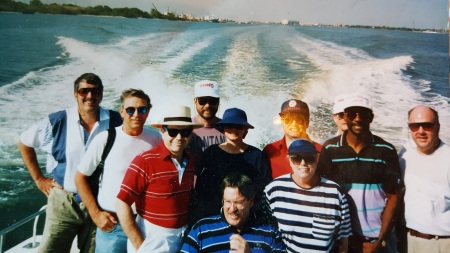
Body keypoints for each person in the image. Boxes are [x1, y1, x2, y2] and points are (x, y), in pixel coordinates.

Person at [18, 73, 122, 253]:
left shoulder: (115, 121)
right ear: (76, 94)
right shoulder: (58, 121)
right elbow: (25, 142)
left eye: (95, 91)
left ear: (102, 94)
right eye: (84, 91)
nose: (90, 96)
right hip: (64, 202)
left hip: (100, 202)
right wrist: (39, 179)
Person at [74, 89, 162, 253]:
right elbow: (80, 177)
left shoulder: (156, 139)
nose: (136, 114)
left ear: (148, 111)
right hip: (114, 227)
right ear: (122, 112)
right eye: (130, 110)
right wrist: (96, 215)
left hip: (146, 224)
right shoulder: (106, 139)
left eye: (142, 109)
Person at [317, 92, 404, 253]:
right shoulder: (330, 149)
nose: (357, 118)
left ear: (370, 117)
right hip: (341, 241)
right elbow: (323, 193)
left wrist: (380, 241)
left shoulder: (386, 150)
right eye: (352, 113)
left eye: (363, 113)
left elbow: (394, 196)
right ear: (344, 117)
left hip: (376, 241)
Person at [115, 105, 202, 253]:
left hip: (182, 237)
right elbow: (122, 203)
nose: (179, 138)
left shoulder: (192, 161)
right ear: (163, 130)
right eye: (173, 131)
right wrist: (140, 245)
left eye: (185, 132)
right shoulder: (145, 161)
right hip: (152, 238)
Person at [264, 139, 352, 253]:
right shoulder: (273, 190)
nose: (303, 163)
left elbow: (343, 244)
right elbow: (268, 233)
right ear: (289, 160)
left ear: (316, 159)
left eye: (309, 157)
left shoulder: (335, 192)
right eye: (296, 158)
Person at [190, 107, 271, 224]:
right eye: (229, 126)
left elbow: (263, 188)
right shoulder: (211, 153)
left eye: (238, 126)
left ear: (245, 130)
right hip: (213, 214)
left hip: (245, 216)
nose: (233, 129)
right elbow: (201, 188)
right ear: (222, 129)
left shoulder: (257, 155)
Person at [181, 173, 286, 253]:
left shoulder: (270, 233)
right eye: (228, 201)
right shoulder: (201, 229)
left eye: (238, 202)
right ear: (222, 201)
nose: (232, 209)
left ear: (251, 201)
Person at [397, 105, 450, 253]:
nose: (420, 131)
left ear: (437, 127)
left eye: (427, 125)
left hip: (440, 244)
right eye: (414, 126)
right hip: (406, 241)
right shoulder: (404, 152)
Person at [263, 99, 322, 179]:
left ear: (307, 122)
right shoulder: (269, 150)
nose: (294, 124)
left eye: (299, 119)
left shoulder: (321, 151)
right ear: (282, 122)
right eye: (288, 119)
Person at [189, 80, 226, 159]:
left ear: (218, 101)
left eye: (212, 101)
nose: (207, 105)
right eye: (202, 101)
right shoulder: (186, 128)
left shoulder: (228, 129)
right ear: (195, 101)